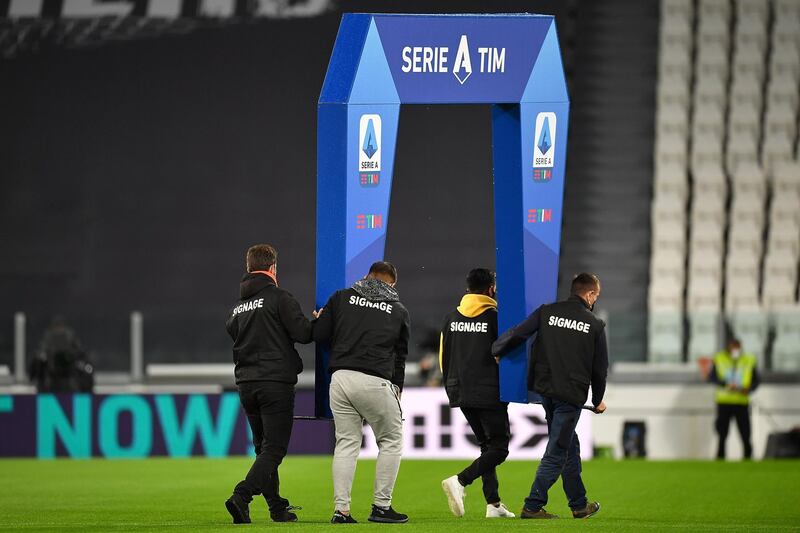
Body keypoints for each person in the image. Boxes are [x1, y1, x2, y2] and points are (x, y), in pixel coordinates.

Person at [491, 272, 608, 520]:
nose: (595, 300)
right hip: (571, 394)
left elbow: (519, 333)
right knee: (558, 448)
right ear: (589, 294)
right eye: (596, 295)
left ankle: (578, 504)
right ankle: (533, 506)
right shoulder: (595, 325)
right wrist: (597, 400)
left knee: (568, 445)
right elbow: (600, 369)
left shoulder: (547, 311)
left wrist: (498, 349)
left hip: (546, 389)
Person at [313, 261, 410, 524]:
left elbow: (319, 335)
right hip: (375, 380)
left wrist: (321, 318)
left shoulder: (341, 298)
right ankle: (381, 507)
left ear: (366, 276)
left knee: (346, 444)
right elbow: (400, 356)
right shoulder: (398, 310)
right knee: (391, 441)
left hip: (340, 379)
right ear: (392, 284)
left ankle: (341, 511)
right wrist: (397, 387)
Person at [224, 244, 313, 524]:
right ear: (273, 268)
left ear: (248, 268)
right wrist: (319, 321)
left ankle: (276, 507)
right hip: (274, 383)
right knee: (274, 449)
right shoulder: (280, 299)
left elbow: (234, 332)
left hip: (246, 385)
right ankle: (242, 495)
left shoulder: (238, 309)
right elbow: (304, 333)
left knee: (264, 449)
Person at [439, 268, 515, 519]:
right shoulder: (496, 318)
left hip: (460, 390)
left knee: (487, 447)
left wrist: (451, 385)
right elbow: (504, 355)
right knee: (499, 449)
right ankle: (460, 480)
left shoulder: (451, 317)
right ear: (491, 289)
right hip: (489, 391)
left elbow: (443, 357)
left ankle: (493, 504)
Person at [708, 338, 759, 460]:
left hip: (742, 401)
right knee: (722, 433)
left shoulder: (749, 359)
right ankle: (720, 457)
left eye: (737, 347)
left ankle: (748, 456)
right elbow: (712, 377)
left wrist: (748, 389)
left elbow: (756, 380)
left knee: (745, 432)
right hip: (724, 401)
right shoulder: (719, 358)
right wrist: (725, 384)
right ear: (728, 347)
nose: (735, 350)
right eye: (733, 347)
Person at [29, 315, 94, 393]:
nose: (59, 331)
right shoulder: (46, 346)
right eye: (56, 328)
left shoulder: (73, 345)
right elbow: (33, 373)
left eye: (61, 328)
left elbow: (88, 368)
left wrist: (76, 360)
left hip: (70, 379)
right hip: (50, 382)